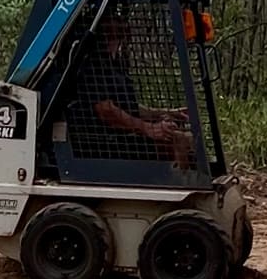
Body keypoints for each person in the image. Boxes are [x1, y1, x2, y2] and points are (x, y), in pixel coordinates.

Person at [72, 10, 194, 167]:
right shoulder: (92, 64)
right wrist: (148, 128)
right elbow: (106, 111)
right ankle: (185, 180)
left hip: (125, 135)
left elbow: (129, 107)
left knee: (188, 137)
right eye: (115, 19)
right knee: (180, 140)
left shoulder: (116, 62)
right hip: (103, 140)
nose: (122, 22)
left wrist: (165, 113)